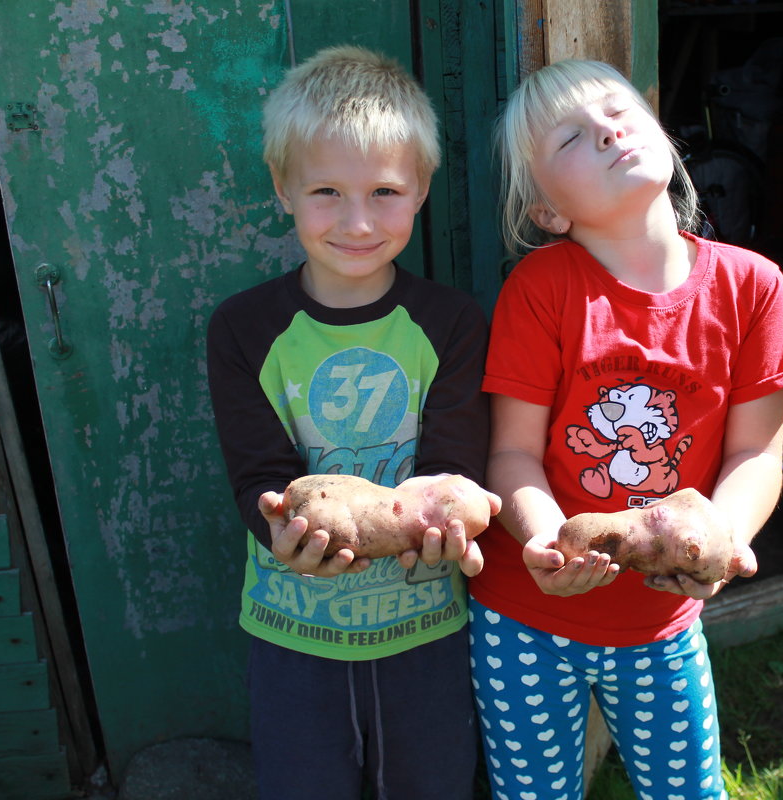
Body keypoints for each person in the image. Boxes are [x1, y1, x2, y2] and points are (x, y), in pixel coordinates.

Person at [468, 59, 783, 800]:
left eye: (616, 109)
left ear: (662, 132)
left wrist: (722, 537)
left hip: (660, 621)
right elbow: (512, 453)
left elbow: (758, 452)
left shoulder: (754, 288)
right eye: (571, 137)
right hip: (523, 617)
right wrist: (543, 539)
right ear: (548, 213)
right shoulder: (540, 290)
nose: (605, 130)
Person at [206, 45, 495, 800]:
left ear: (422, 188)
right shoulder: (242, 329)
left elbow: (458, 460)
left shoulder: (454, 324)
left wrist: (453, 507)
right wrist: (280, 527)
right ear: (283, 187)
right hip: (291, 634)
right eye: (327, 191)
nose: (358, 221)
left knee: (434, 786)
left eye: (386, 192)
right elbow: (258, 473)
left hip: (427, 633)